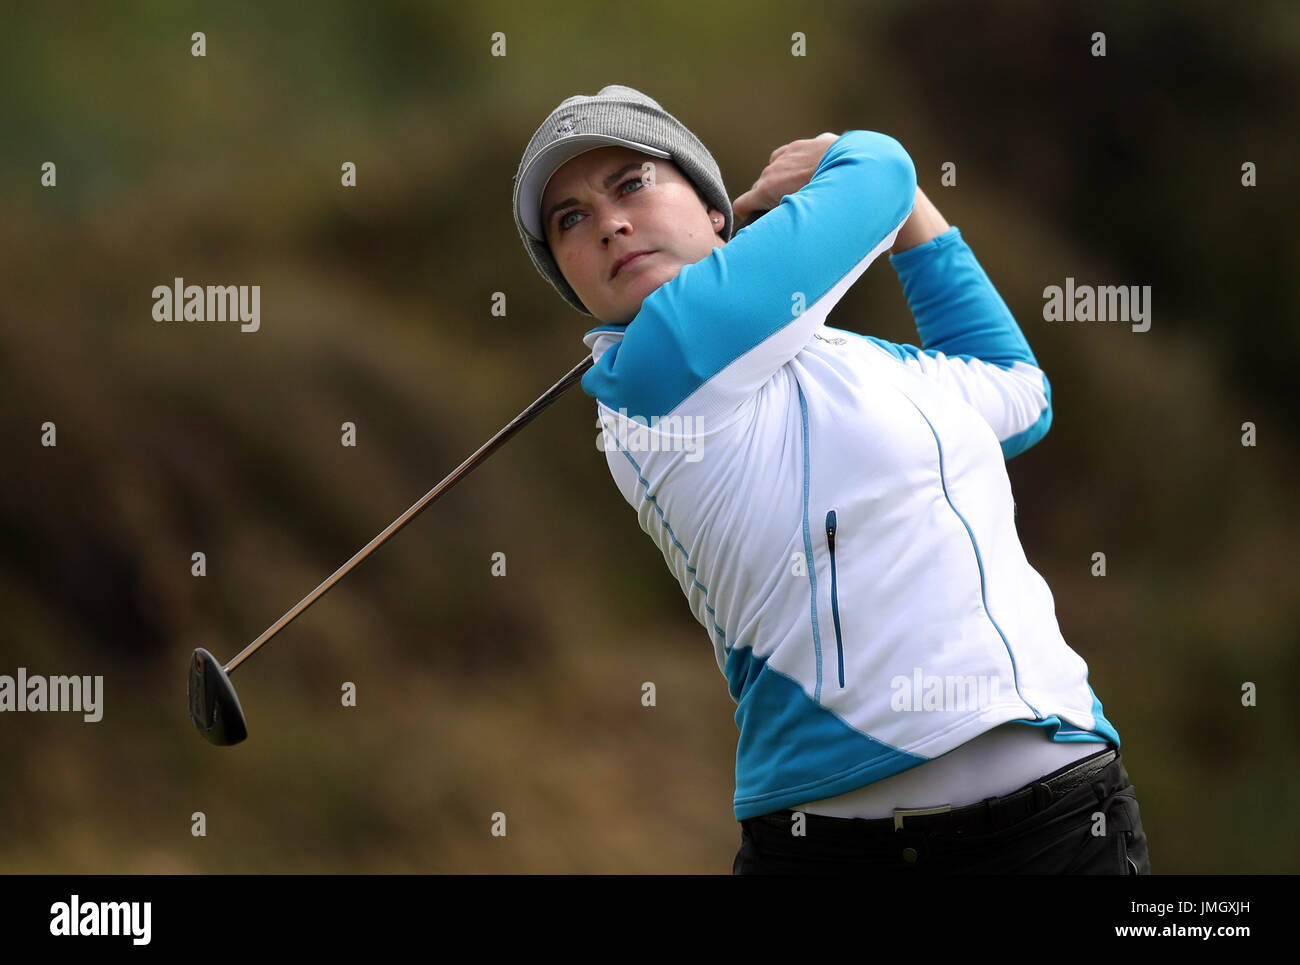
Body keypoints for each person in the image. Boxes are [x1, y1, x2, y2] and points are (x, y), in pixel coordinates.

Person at [512, 84, 1150, 874]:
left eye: (631, 183)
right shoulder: (650, 374)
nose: (608, 222)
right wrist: (862, 164)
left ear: (716, 210)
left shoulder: (858, 361)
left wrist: (912, 205)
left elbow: (1018, 393)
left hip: (1060, 825)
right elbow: (875, 168)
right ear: (571, 278)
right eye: (569, 219)